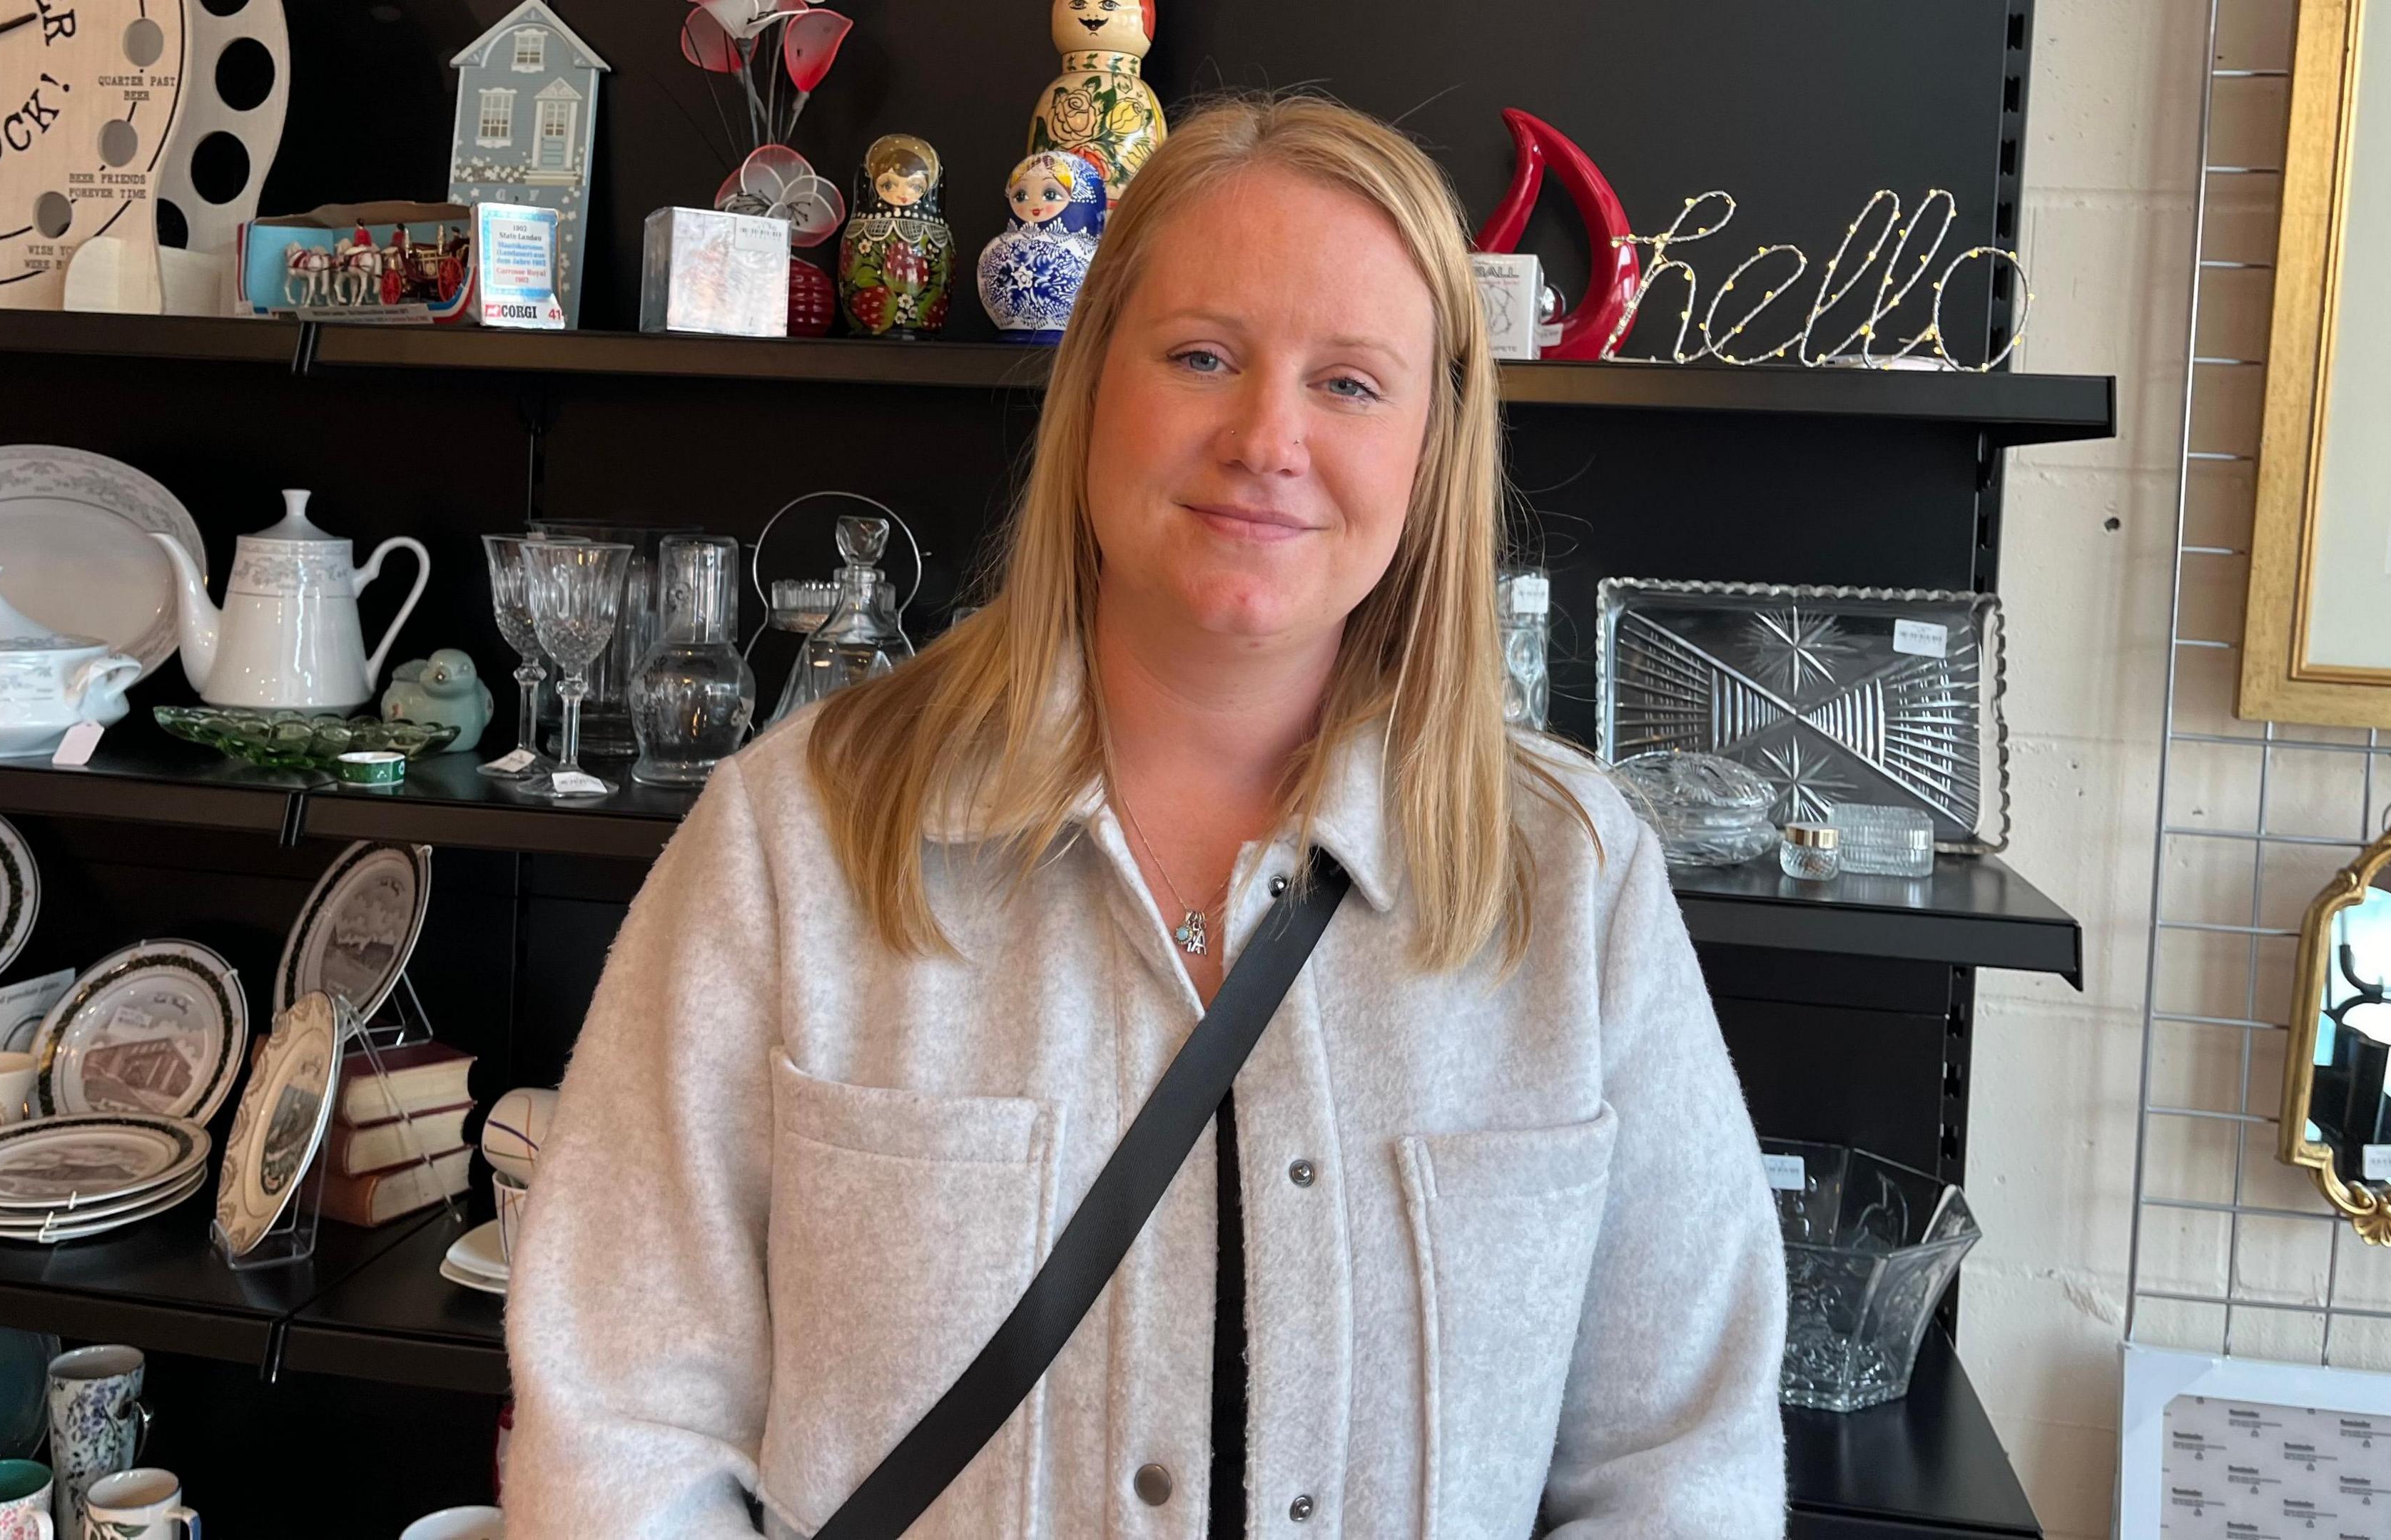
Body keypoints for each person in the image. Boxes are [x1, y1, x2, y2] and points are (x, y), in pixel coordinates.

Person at [504, 95, 1784, 1539]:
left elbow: (1683, 1466)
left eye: (1353, 385)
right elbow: (620, 1423)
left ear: (1434, 452)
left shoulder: (1573, 877)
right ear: (1092, 385)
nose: (1268, 439)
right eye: (1202, 356)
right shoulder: (798, 835)